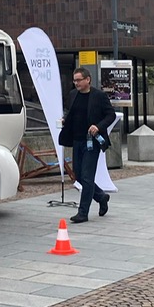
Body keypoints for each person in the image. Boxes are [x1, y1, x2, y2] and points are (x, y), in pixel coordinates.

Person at [57, 66, 116, 223]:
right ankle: (101, 197)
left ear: (87, 80)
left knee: (87, 176)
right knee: (79, 176)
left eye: (79, 80)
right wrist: (65, 119)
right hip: (77, 140)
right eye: (74, 80)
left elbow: (111, 115)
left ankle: (83, 212)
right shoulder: (73, 95)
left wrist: (98, 126)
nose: (76, 83)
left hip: (93, 142)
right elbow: (70, 112)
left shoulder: (99, 96)